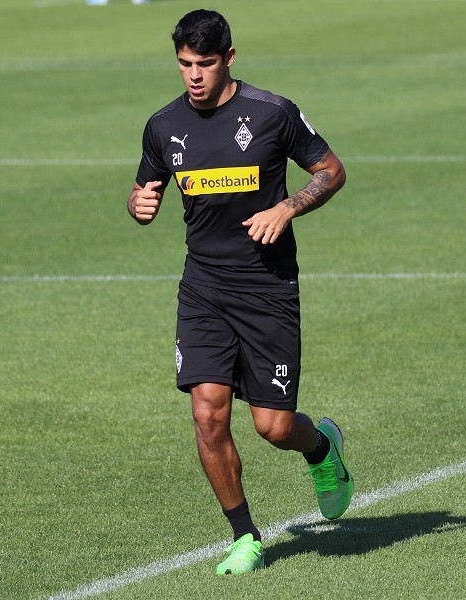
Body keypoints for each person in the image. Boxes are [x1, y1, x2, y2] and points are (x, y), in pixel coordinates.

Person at [127, 9, 352, 575]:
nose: (194, 76)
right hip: (202, 286)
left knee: (274, 427)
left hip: (266, 287)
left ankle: (322, 447)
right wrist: (138, 206)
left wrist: (286, 207)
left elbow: (331, 170)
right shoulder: (162, 125)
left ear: (229, 58)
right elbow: (143, 188)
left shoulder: (271, 113)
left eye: (205, 64)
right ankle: (244, 535)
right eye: (184, 65)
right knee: (208, 415)